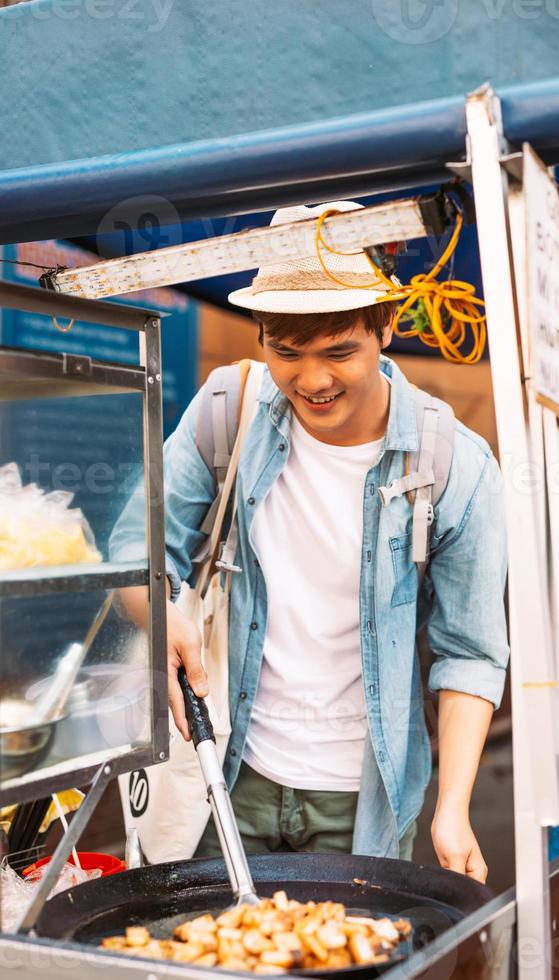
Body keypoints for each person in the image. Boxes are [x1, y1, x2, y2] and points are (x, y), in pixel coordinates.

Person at [111, 200, 509, 881]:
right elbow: (132, 551)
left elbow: (470, 654)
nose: (312, 380)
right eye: (286, 352)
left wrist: (454, 807)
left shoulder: (456, 465)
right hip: (223, 777)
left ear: (385, 325)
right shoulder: (226, 410)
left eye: (339, 351)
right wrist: (161, 610)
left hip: (364, 796)